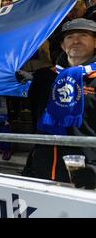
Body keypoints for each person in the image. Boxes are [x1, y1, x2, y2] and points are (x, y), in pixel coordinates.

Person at [22, 18, 96, 188]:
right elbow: (37, 120)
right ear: (62, 45)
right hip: (43, 170)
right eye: (69, 37)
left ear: (95, 42)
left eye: (83, 35)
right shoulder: (45, 77)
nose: (75, 41)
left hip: (87, 174)